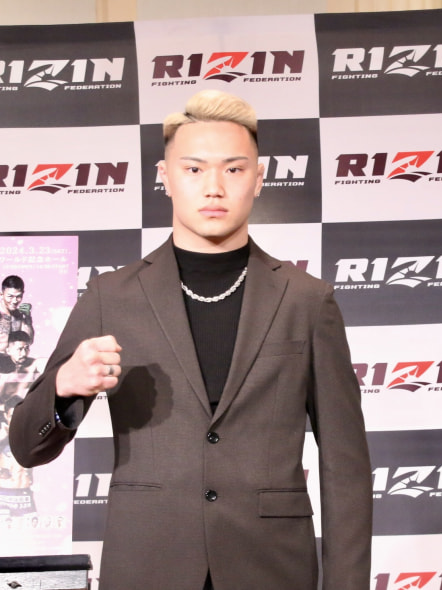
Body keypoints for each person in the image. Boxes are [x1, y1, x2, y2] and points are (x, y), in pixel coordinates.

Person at [9, 89, 372, 590]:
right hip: (148, 565)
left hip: (272, 568)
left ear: (259, 178)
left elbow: (346, 466)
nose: (214, 188)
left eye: (234, 169)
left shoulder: (307, 300)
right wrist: (62, 387)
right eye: (194, 169)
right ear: (165, 177)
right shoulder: (112, 296)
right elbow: (26, 448)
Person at [0, 276, 34, 354]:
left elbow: (29, 341)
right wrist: (6, 316)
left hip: (11, 358)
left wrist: (27, 319)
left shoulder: (18, 314)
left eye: (18, 296)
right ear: (1, 294)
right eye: (10, 296)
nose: (15, 301)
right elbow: (3, 344)